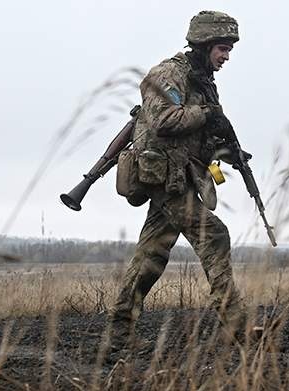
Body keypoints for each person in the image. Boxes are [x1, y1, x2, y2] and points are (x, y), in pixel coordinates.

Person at [108, 11, 252, 342]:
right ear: (203, 45)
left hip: (179, 177)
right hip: (163, 177)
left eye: (229, 49)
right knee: (214, 235)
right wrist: (207, 114)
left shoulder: (202, 81)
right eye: (222, 48)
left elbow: (195, 137)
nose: (226, 56)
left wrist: (228, 152)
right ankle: (236, 326)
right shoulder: (168, 74)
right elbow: (165, 121)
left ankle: (119, 332)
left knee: (151, 256)